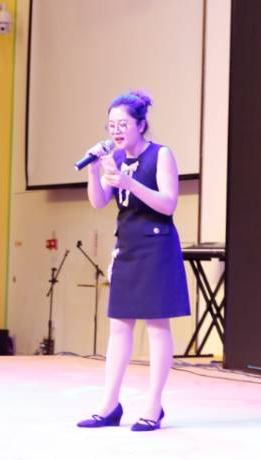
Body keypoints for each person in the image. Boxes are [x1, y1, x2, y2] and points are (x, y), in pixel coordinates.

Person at [77, 91, 190, 432]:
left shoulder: (161, 155)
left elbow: (168, 203)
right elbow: (99, 201)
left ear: (140, 125)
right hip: (126, 247)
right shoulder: (115, 158)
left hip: (156, 246)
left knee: (157, 326)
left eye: (123, 124)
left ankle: (153, 406)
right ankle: (109, 405)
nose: (116, 131)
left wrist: (129, 182)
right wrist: (94, 170)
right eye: (111, 125)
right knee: (119, 326)